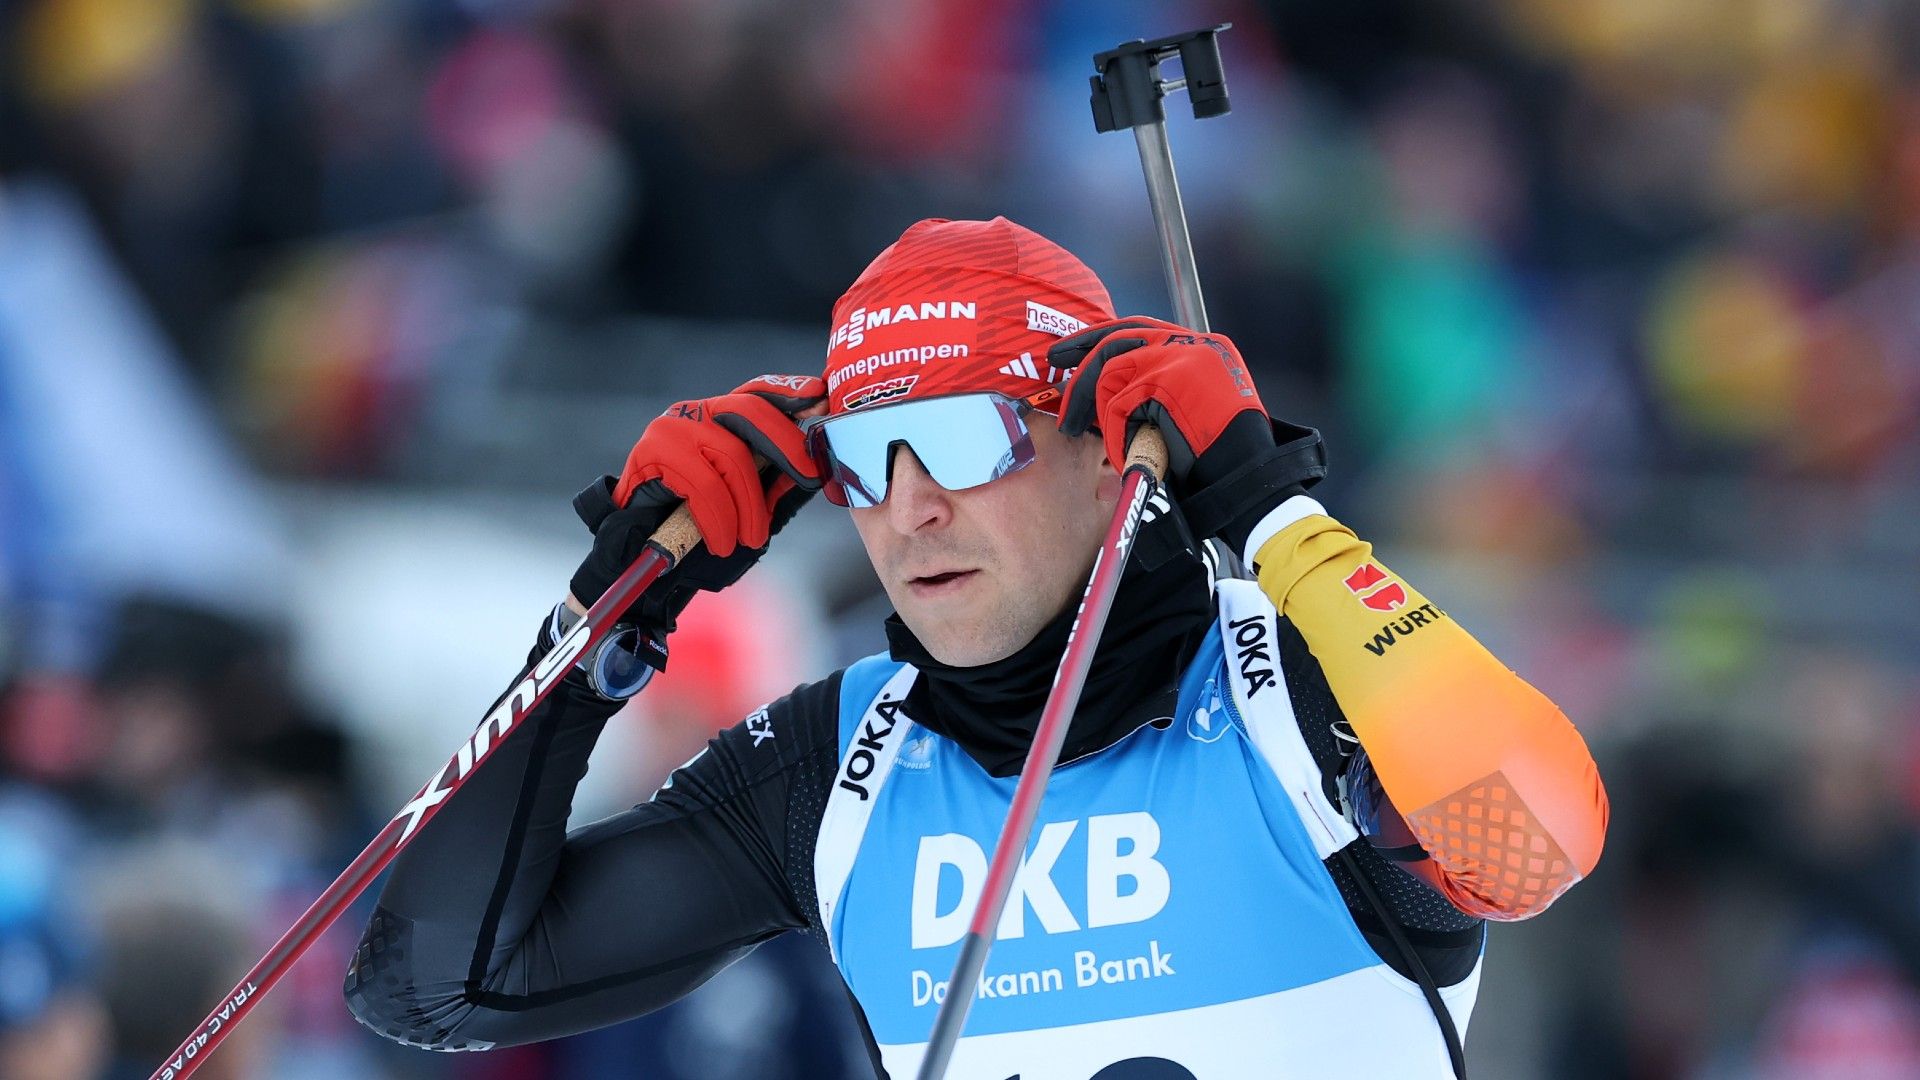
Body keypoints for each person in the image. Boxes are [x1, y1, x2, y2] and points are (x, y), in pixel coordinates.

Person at [343, 217, 1609, 1078]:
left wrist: (1275, 515)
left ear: (1106, 446)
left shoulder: (1294, 690)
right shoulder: (840, 764)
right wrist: (602, 627)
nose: (912, 508)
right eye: (860, 456)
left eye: (958, 440)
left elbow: (1535, 842)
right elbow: (431, 986)